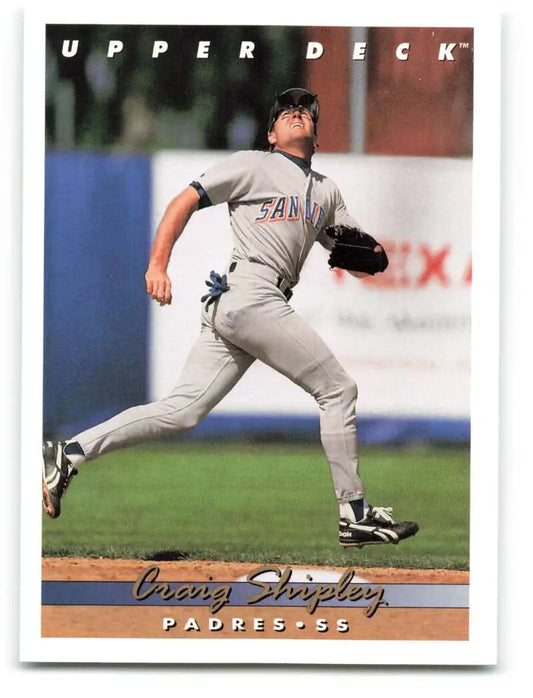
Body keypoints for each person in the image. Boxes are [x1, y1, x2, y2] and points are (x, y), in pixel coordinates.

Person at [42, 88, 419, 548]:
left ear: (315, 135)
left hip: (244, 305)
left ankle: (69, 453)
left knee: (181, 412)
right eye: (286, 112)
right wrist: (157, 264)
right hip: (249, 292)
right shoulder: (253, 164)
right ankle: (354, 513)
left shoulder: (326, 191)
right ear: (271, 133)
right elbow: (184, 201)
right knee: (338, 390)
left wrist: (370, 257)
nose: (297, 114)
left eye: (305, 112)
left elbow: (353, 256)